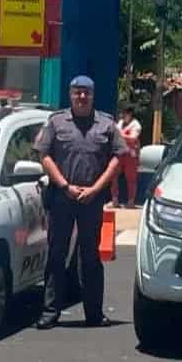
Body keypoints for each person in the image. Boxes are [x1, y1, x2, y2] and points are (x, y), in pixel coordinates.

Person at [33, 75, 129, 329]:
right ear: (70, 94)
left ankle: (94, 314)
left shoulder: (106, 124)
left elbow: (118, 158)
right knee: (56, 255)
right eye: (77, 92)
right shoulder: (56, 122)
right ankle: (50, 311)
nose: (82, 97)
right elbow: (44, 156)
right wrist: (64, 185)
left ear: (93, 95)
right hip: (62, 197)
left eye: (86, 92)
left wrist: (97, 189)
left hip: (92, 200)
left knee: (90, 257)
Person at [112, 105, 142, 208]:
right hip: (120, 153)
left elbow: (133, 138)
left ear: (130, 114)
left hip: (131, 154)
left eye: (124, 113)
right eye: (121, 113)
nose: (122, 115)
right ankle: (114, 200)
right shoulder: (120, 123)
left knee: (131, 179)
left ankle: (131, 202)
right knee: (113, 176)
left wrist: (119, 134)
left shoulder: (136, 125)